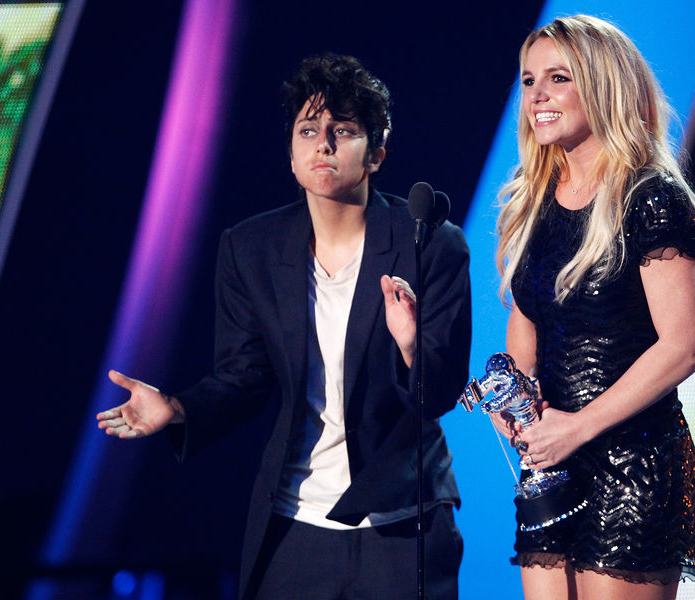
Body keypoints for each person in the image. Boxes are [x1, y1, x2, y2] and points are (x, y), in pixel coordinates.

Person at [96, 53, 470, 600]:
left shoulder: (428, 243)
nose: (324, 145)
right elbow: (244, 376)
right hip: (295, 522)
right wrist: (176, 408)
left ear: (376, 154)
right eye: (309, 130)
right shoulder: (251, 248)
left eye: (344, 131)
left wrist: (412, 345)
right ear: (291, 155)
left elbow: (441, 393)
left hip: (401, 518)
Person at [491, 15, 695, 600]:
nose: (537, 95)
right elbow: (527, 320)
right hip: (551, 465)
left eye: (558, 78)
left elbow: (684, 346)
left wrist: (578, 428)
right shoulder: (532, 201)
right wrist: (515, 400)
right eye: (529, 80)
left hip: (631, 465)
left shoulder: (651, 199)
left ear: (603, 84)